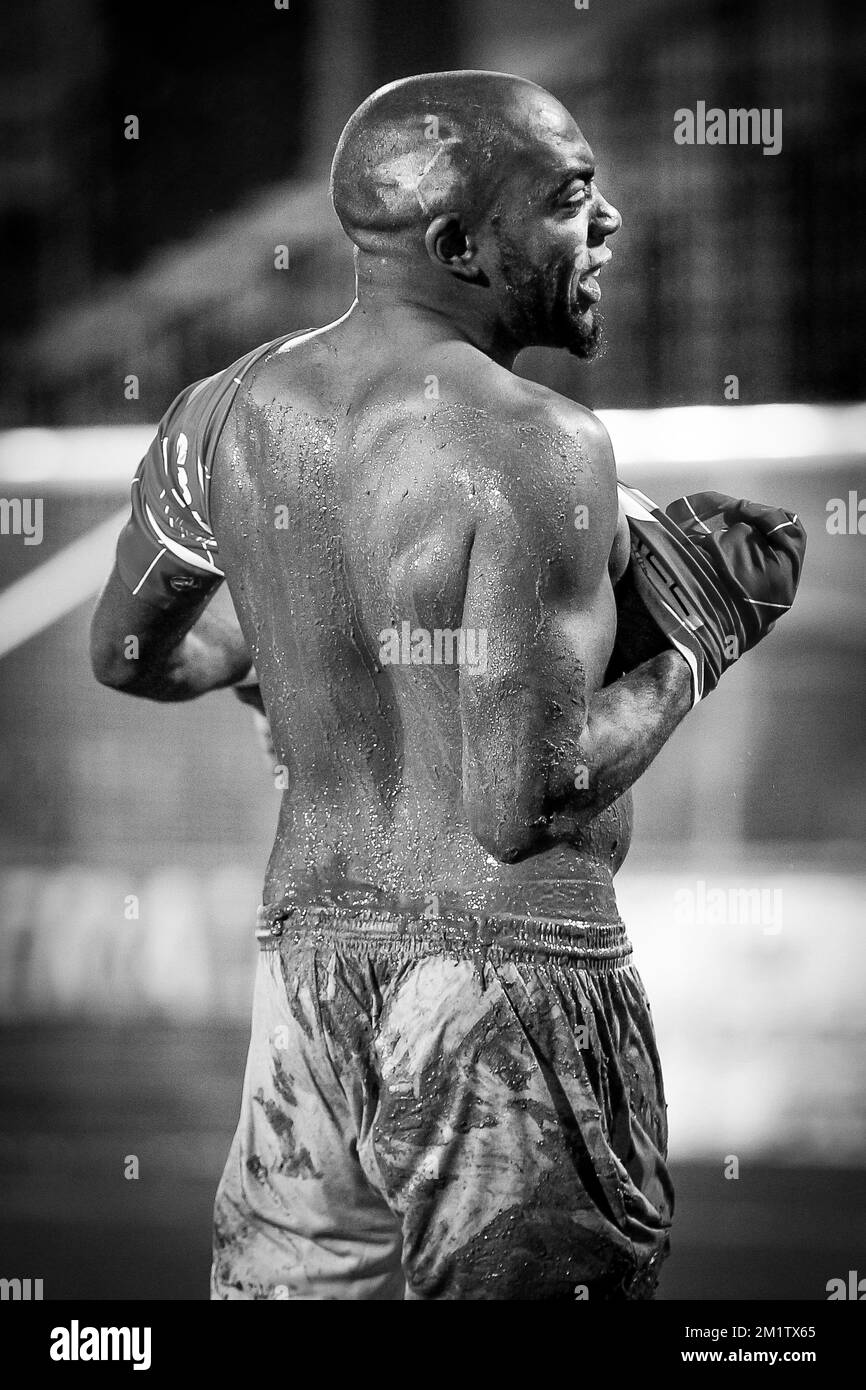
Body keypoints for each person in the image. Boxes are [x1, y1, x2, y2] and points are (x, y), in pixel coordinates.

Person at [90, 70, 804, 1300]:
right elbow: (520, 801)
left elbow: (132, 652)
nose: (610, 222)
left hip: (305, 981)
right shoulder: (535, 444)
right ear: (459, 244)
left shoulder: (218, 417)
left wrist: (284, 657)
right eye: (571, 198)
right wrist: (701, 636)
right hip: (502, 987)